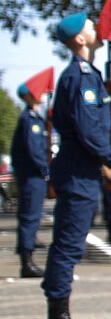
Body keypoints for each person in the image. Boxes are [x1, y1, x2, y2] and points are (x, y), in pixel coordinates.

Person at [40, 13, 111, 319]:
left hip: (81, 171)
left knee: (67, 245)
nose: (96, 28)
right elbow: (89, 129)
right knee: (68, 247)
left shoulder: (85, 74)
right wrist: (110, 160)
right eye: (89, 26)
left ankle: (59, 316)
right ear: (80, 39)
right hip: (78, 173)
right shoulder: (80, 76)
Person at [12, 84, 49, 279]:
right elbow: (35, 151)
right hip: (32, 176)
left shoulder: (34, 118)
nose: (43, 94)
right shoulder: (30, 120)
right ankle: (27, 262)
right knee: (30, 217)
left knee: (31, 217)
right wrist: (46, 171)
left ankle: (28, 259)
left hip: (33, 176)